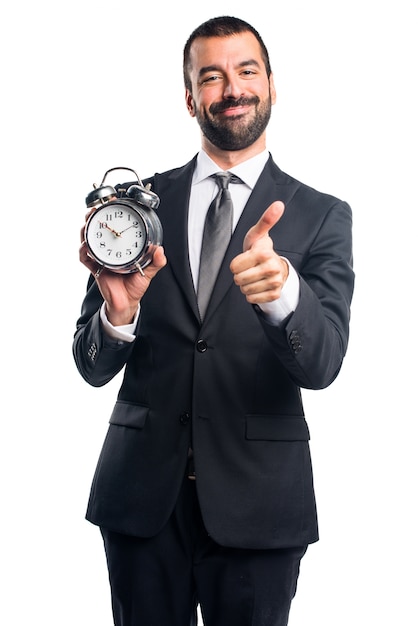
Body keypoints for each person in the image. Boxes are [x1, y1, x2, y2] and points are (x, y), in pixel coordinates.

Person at [73, 15, 354, 626]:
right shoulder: (132, 208)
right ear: (190, 97)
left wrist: (283, 295)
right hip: (142, 501)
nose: (233, 88)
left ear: (272, 85)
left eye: (247, 70)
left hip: (261, 506)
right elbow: (90, 366)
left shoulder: (323, 215)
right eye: (212, 76)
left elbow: (324, 362)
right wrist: (118, 319)